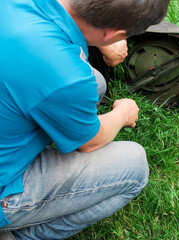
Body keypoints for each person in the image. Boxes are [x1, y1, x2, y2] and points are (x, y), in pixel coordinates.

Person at [0, 0, 170, 239]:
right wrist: (122, 113)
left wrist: (103, 42)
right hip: (4, 187)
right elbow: (90, 141)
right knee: (134, 167)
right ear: (114, 33)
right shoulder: (66, 78)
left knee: (96, 83)